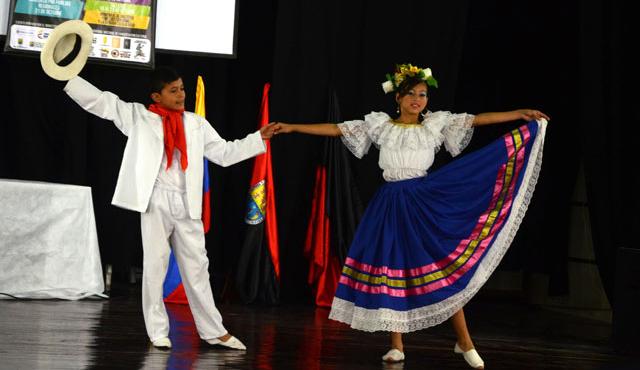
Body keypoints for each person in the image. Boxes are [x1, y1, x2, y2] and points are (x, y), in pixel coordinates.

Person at [272, 63, 549, 369]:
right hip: (390, 203)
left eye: (423, 94)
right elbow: (338, 129)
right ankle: (396, 344)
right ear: (398, 99)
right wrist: (293, 127)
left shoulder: (435, 125)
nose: (418, 99)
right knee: (393, 267)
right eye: (411, 94)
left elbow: (476, 120)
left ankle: (464, 340)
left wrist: (519, 114)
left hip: (422, 202)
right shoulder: (381, 126)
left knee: (440, 269)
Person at [63, 66, 276, 350]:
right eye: (173, 91)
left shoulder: (196, 123)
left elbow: (224, 153)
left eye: (182, 89)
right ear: (157, 96)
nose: (181, 95)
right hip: (155, 199)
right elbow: (103, 102)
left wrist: (257, 138)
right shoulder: (140, 117)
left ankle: (214, 330)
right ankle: (157, 330)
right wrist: (68, 78)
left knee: (198, 267)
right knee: (155, 265)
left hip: (187, 201)